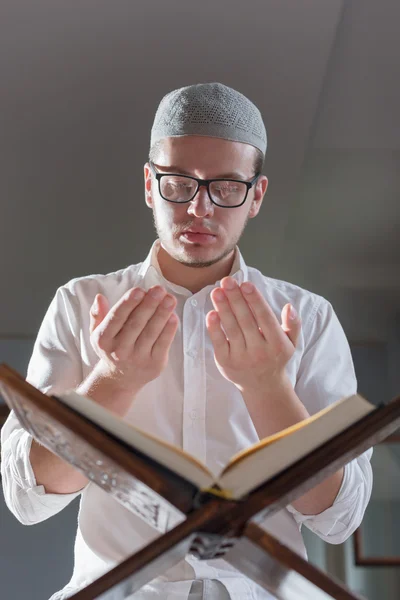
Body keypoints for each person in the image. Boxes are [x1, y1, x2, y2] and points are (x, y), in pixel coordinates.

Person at [1, 82, 372, 600]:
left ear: (256, 195)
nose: (200, 208)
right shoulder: (81, 303)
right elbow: (28, 497)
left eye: (226, 187)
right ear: (150, 185)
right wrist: (112, 382)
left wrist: (268, 388)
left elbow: (340, 518)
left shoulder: (308, 317)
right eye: (179, 183)